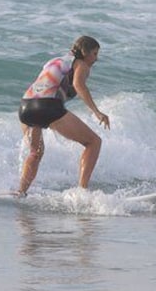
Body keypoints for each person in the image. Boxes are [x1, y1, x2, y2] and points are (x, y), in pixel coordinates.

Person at [16, 36, 110, 196]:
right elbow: (78, 85)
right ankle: (82, 193)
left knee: (35, 152)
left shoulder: (54, 62)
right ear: (85, 52)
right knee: (94, 142)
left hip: (25, 107)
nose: (96, 59)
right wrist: (97, 112)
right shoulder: (80, 64)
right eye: (94, 54)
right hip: (47, 106)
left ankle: (21, 192)